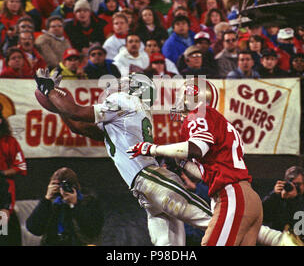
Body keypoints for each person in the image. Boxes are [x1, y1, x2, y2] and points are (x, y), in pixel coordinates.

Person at [34, 71, 213, 246]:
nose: (115, 85)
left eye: (122, 83)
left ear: (134, 89)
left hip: (151, 180)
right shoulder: (130, 113)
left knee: (213, 221)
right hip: (146, 187)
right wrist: (57, 103)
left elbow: (75, 111)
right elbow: (79, 126)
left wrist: (50, 90)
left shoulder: (125, 101)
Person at [127, 77, 263, 246]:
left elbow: (196, 148)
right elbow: (205, 172)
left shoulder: (199, 113)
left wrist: (153, 149)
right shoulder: (218, 121)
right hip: (249, 197)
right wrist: (182, 163)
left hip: (233, 194)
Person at [26, 167, 104, 246]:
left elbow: (93, 231)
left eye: (65, 186)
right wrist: (46, 200)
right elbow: (34, 229)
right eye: (56, 185)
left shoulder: (88, 201)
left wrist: (74, 205)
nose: (61, 190)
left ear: (75, 187)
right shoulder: (49, 203)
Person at [262, 166, 304, 234]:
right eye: (291, 183)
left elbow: (300, 229)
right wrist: (274, 195)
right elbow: (262, 216)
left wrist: (295, 199)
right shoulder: (278, 197)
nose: (294, 187)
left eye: (297, 184)